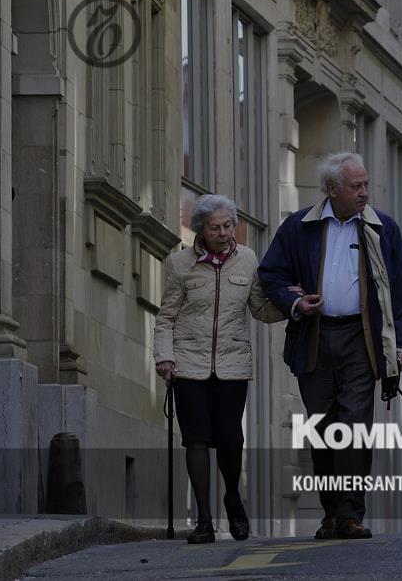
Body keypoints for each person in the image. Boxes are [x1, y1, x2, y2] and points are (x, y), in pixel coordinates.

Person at [258, 152, 402, 540]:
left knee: (355, 427)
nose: (364, 193)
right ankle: (331, 512)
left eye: (366, 185)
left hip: (362, 340)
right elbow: (270, 274)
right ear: (332, 190)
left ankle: (349, 514)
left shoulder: (384, 229)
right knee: (324, 428)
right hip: (314, 338)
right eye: (356, 186)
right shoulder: (299, 227)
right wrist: (294, 302)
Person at [154, 194, 287, 544]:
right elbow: (166, 316)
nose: (225, 233)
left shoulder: (248, 260)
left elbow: (259, 307)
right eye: (216, 228)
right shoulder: (179, 264)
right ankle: (203, 519)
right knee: (195, 440)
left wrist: (294, 304)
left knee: (230, 439)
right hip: (188, 364)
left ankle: (232, 496)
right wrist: (164, 357)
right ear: (201, 229)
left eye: (229, 225)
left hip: (232, 364)